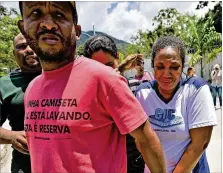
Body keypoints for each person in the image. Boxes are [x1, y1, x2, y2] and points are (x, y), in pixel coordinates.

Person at [18, 1, 166, 173]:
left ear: (77, 30)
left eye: (59, 15)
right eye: (36, 13)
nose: (48, 24)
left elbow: (146, 140)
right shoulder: (32, 89)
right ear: (23, 27)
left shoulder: (105, 79)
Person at [135, 36, 217, 173]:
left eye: (174, 67)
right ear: (153, 67)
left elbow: (200, 142)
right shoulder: (143, 93)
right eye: (160, 67)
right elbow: (141, 141)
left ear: (183, 65)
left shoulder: (196, 89)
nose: (166, 74)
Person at [84, 35, 145, 173]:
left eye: (109, 65)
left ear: (117, 58)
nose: (105, 73)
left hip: (133, 164)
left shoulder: (134, 89)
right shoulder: (83, 97)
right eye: (98, 68)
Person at [0, 33, 41, 173]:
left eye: (34, 44)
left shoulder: (63, 77)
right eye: (22, 46)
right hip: (24, 166)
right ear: (14, 53)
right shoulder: (4, 86)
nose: (29, 49)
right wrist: (13, 137)